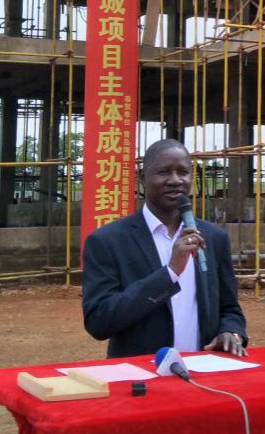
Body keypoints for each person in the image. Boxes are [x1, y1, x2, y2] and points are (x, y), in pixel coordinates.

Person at [81, 138, 248, 359]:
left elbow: (230, 310)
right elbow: (99, 322)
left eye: (183, 172)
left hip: (204, 370)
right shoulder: (108, 241)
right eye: (163, 172)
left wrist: (231, 331)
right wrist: (169, 273)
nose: (175, 180)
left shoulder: (214, 238)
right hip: (142, 373)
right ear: (142, 177)